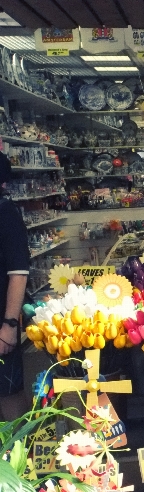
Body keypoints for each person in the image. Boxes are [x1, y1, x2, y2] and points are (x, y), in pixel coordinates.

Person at [0, 150, 30, 420]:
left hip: (1, 321)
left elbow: (18, 273)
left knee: (7, 390)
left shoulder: (6, 214)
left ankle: (16, 453)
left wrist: (9, 325)